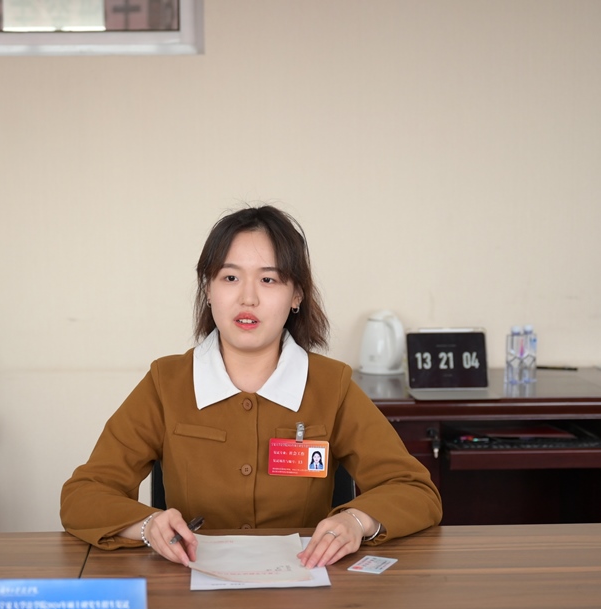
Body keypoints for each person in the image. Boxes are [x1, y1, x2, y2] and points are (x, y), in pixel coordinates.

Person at [60, 205, 442, 568]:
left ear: (296, 295)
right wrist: (147, 526)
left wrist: (356, 521)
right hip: (192, 587)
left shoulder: (332, 386)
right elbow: (83, 494)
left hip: (305, 588)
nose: (248, 297)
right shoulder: (166, 382)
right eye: (230, 278)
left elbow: (415, 490)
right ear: (208, 289)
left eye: (268, 279)